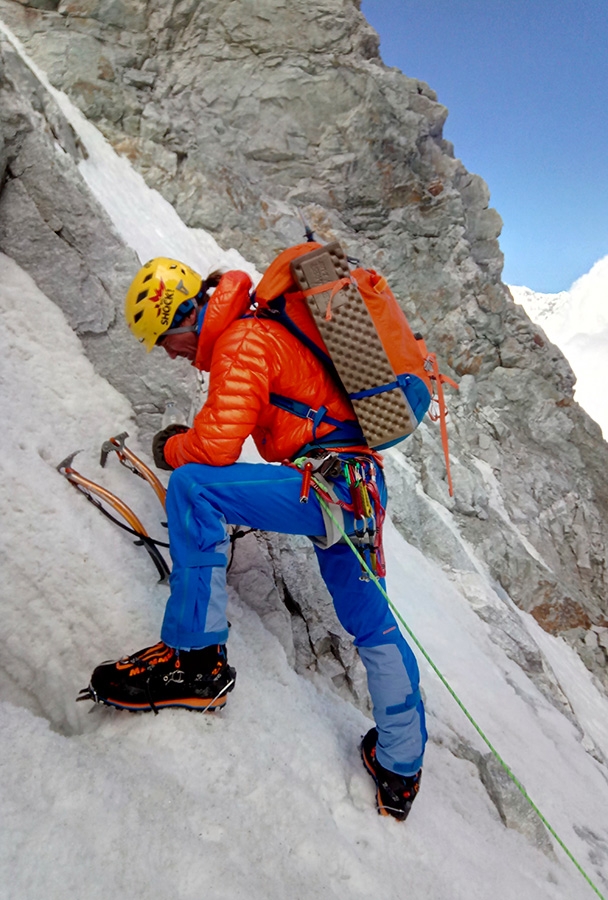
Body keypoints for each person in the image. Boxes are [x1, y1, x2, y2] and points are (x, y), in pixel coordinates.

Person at [88, 253, 427, 821]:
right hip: (360, 489)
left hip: (328, 483)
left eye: (163, 338)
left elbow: (216, 450)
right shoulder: (255, 330)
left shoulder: (242, 339)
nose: (168, 351)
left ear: (183, 317)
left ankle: (194, 662)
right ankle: (400, 766)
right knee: (373, 624)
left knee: (194, 485)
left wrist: (169, 450)